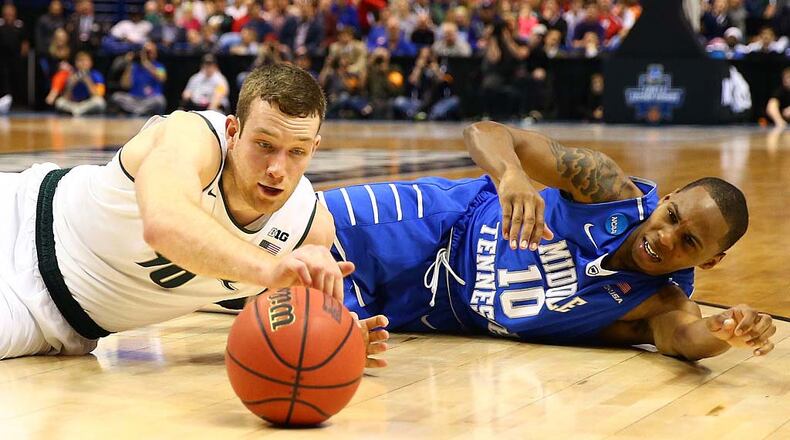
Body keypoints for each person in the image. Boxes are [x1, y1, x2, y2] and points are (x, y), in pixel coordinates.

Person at [0, 63, 388, 366]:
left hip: (46, 322)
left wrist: (324, 339)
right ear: (233, 131)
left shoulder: (310, 230)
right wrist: (269, 268)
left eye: (297, 152)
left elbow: (266, 327)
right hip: (17, 213)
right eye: (264, 145)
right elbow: (165, 223)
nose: (277, 168)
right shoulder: (192, 136)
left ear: (315, 148)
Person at [319, 121, 776, 361]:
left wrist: (728, 336)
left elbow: (689, 339)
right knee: (281, 229)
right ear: (668, 198)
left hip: (436, 313)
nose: (664, 238)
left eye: (689, 242)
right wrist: (511, 174)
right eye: (671, 216)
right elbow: (484, 132)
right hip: (436, 224)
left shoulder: (662, 304)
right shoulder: (604, 187)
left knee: (292, 317)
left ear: (712, 261)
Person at [45, 50, 107, 116]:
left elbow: (99, 95)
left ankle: (78, 111)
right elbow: (66, 97)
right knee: (59, 102)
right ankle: (77, 111)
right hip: (73, 104)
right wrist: (71, 83)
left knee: (100, 102)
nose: (83, 63)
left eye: (85, 61)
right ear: (75, 63)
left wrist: (88, 81)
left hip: (87, 104)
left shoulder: (96, 75)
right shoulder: (70, 74)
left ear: (91, 62)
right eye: (80, 61)